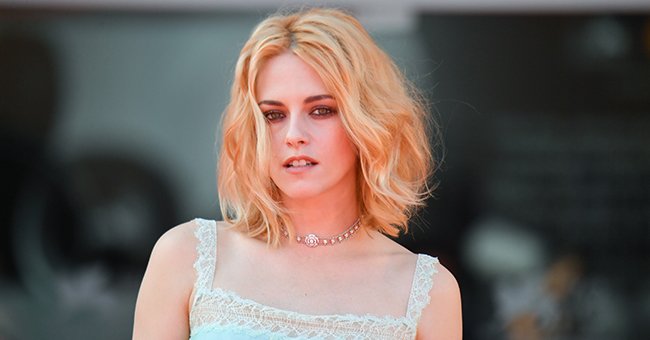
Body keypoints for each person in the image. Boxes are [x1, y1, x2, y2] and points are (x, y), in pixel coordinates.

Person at [133, 7, 462, 340]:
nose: (293, 134)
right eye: (274, 115)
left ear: (368, 121)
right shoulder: (185, 256)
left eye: (321, 110)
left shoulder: (428, 292)